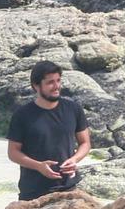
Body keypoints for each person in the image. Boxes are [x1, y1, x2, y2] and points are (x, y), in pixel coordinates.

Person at [7, 61, 91, 200]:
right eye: (50, 82)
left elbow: (85, 143)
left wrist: (74, 159)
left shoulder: (73, 109)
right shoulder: (22, 115)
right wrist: (38, 166)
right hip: (33, 192)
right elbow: (13, 152)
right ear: (36, 85)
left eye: (58, 80)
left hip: (69, 188)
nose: (56, 86)